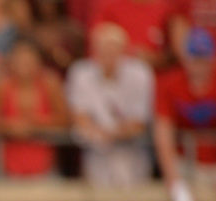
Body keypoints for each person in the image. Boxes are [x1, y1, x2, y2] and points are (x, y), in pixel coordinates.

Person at [152, 28, 216, 201]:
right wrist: (177, 187)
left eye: (203, 59)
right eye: (194, 58)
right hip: (185, 161)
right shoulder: (170, 82)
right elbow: (163, 134)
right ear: (186, 59)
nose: (198, 66)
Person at [65, 22, 154, 187]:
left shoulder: (140, 74)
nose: (108, 55)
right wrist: (99, 135)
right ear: (94, 51)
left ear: (124, 50)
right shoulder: (80, 72)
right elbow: (79, 117)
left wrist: (108, 134)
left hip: (132, 155)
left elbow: (138, 123)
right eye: (103, 49)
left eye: (113, 49)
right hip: (96, 154)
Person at [0, 38, 68, 178]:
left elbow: (65, 120)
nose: (24, 66)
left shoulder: (50, 84)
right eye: (20, 61)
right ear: (12, 63)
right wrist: (9, 126)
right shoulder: (2, 86)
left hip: (44, 164)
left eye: (28, 61)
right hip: (9, 165)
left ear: (38, 63)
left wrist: (36, 125)